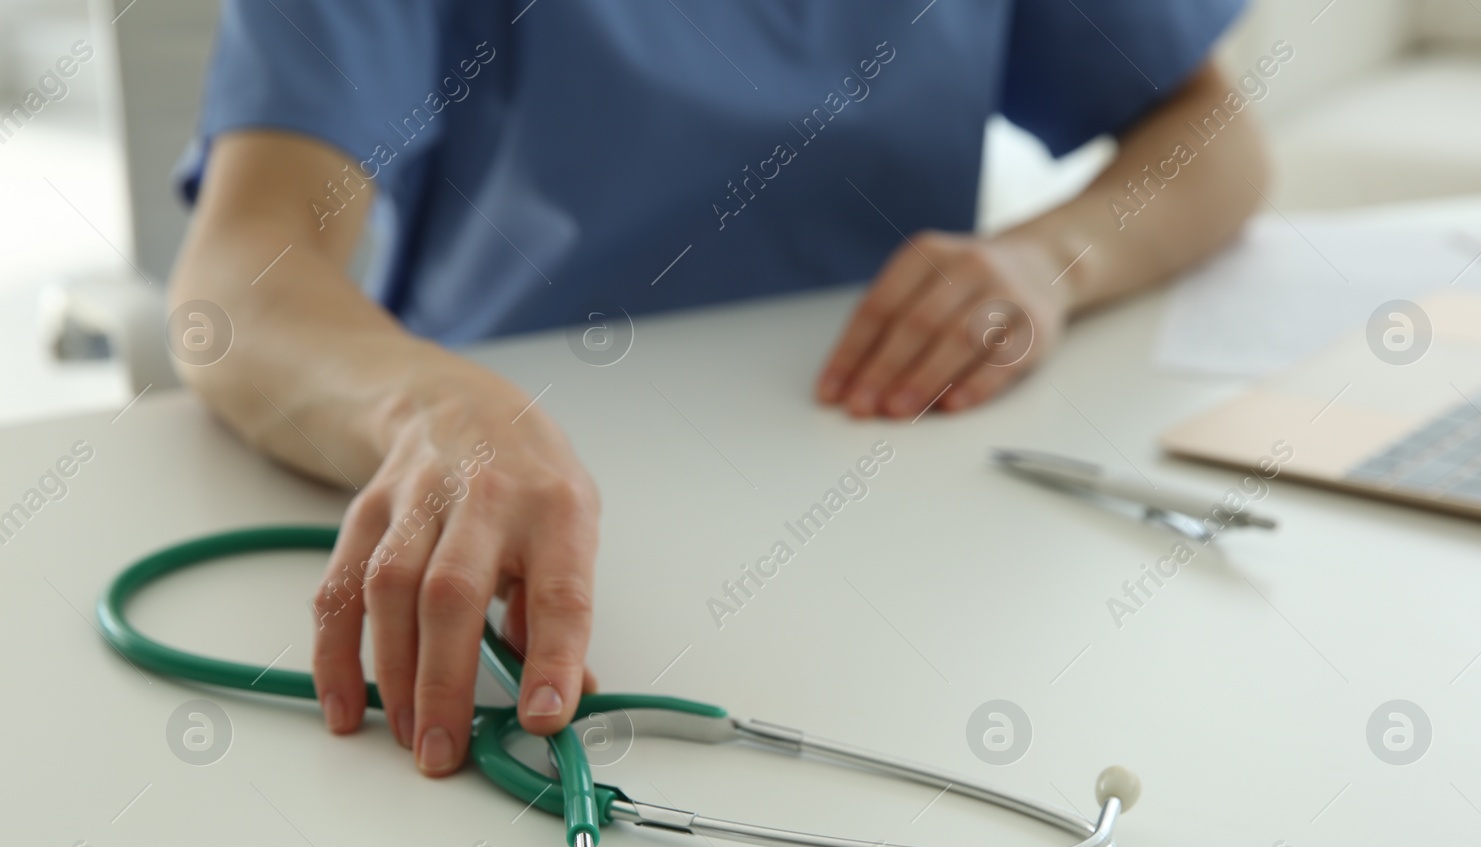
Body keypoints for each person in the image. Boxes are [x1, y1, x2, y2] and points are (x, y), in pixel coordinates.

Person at [169, 0, 1266, 777]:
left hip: (913, 522)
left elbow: (1215, 140)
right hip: (536, 488)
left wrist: (1053, 257)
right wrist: (429, 409)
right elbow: (239, 278)